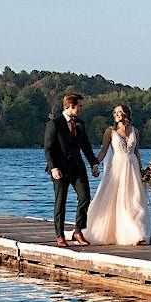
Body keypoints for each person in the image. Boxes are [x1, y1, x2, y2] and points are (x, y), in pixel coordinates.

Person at [84, 104, 151, 246]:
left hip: (132, 169)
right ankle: (119, 232)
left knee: (135, 201)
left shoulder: (135, 131)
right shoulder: (110, 131)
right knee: (118, 201)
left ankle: (138, 233)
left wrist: (142, 171)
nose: (118, 114)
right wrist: (95, 164)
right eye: (115, 112)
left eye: (120, 111)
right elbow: (103, 151)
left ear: (126, 113)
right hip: (117, 169)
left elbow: (136, 153)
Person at [43, 92, 100, 248]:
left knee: (85, 197)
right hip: (59, 169)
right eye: (79, 106)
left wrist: (94, 164)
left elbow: (86, 146)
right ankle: (60, 236)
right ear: (71, 106)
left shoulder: (80, 124)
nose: (81, 109)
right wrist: (53, 167)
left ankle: (78, 230)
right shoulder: (54, 124)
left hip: (77, 168)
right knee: (60, 202)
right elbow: (48, 149)